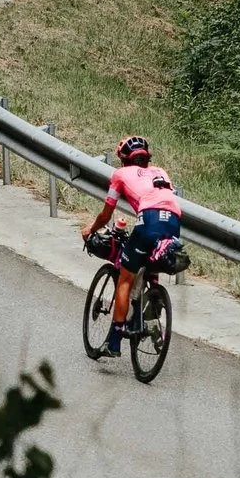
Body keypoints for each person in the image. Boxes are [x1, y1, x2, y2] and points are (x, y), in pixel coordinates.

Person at [84, 135, 183, 357]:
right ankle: (151, 313)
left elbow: (106, 213)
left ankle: (115, 342)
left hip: (148, 220)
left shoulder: (119, 175)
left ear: (123, 159)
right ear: (146, 158)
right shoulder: (161, 172)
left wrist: (91, 229)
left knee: (125, 279)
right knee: (151, 264)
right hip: (174, 221)